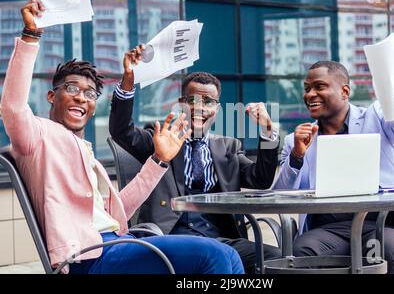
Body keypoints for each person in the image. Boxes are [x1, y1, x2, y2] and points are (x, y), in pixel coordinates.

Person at [1, 0, 244, 274]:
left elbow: (119, 213)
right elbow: (13, 106)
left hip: (118, 242)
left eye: (90, 93)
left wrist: (159, 161)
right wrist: (31, 35)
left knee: (229, 256)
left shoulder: (85, 152)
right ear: (52, 97)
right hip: (88, 256)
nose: (81, 97)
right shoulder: (38, 136)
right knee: (213, 256)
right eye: (71, 89)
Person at [109, 45, 282, 273]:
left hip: (221, 238)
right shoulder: (160, 139)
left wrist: (269, 132)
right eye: (193, 100)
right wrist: (129, 81)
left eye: (208, 102)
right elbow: (121, 130)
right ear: (182, 103)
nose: (200, 108)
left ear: (217, 109)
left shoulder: (228, 147)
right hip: (170, 238)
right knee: (215, 258)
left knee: (276, 257)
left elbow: (260, 180)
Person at [273, 59, 394, 274]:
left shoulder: (374, 117)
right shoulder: (295, 140)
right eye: (307, 89)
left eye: (319, 87)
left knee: (389, 250)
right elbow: (280, 195)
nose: (310, 94)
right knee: (302, 251)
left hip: (381, 225)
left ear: (344, 91)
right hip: (327, 231)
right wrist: (296, 155)